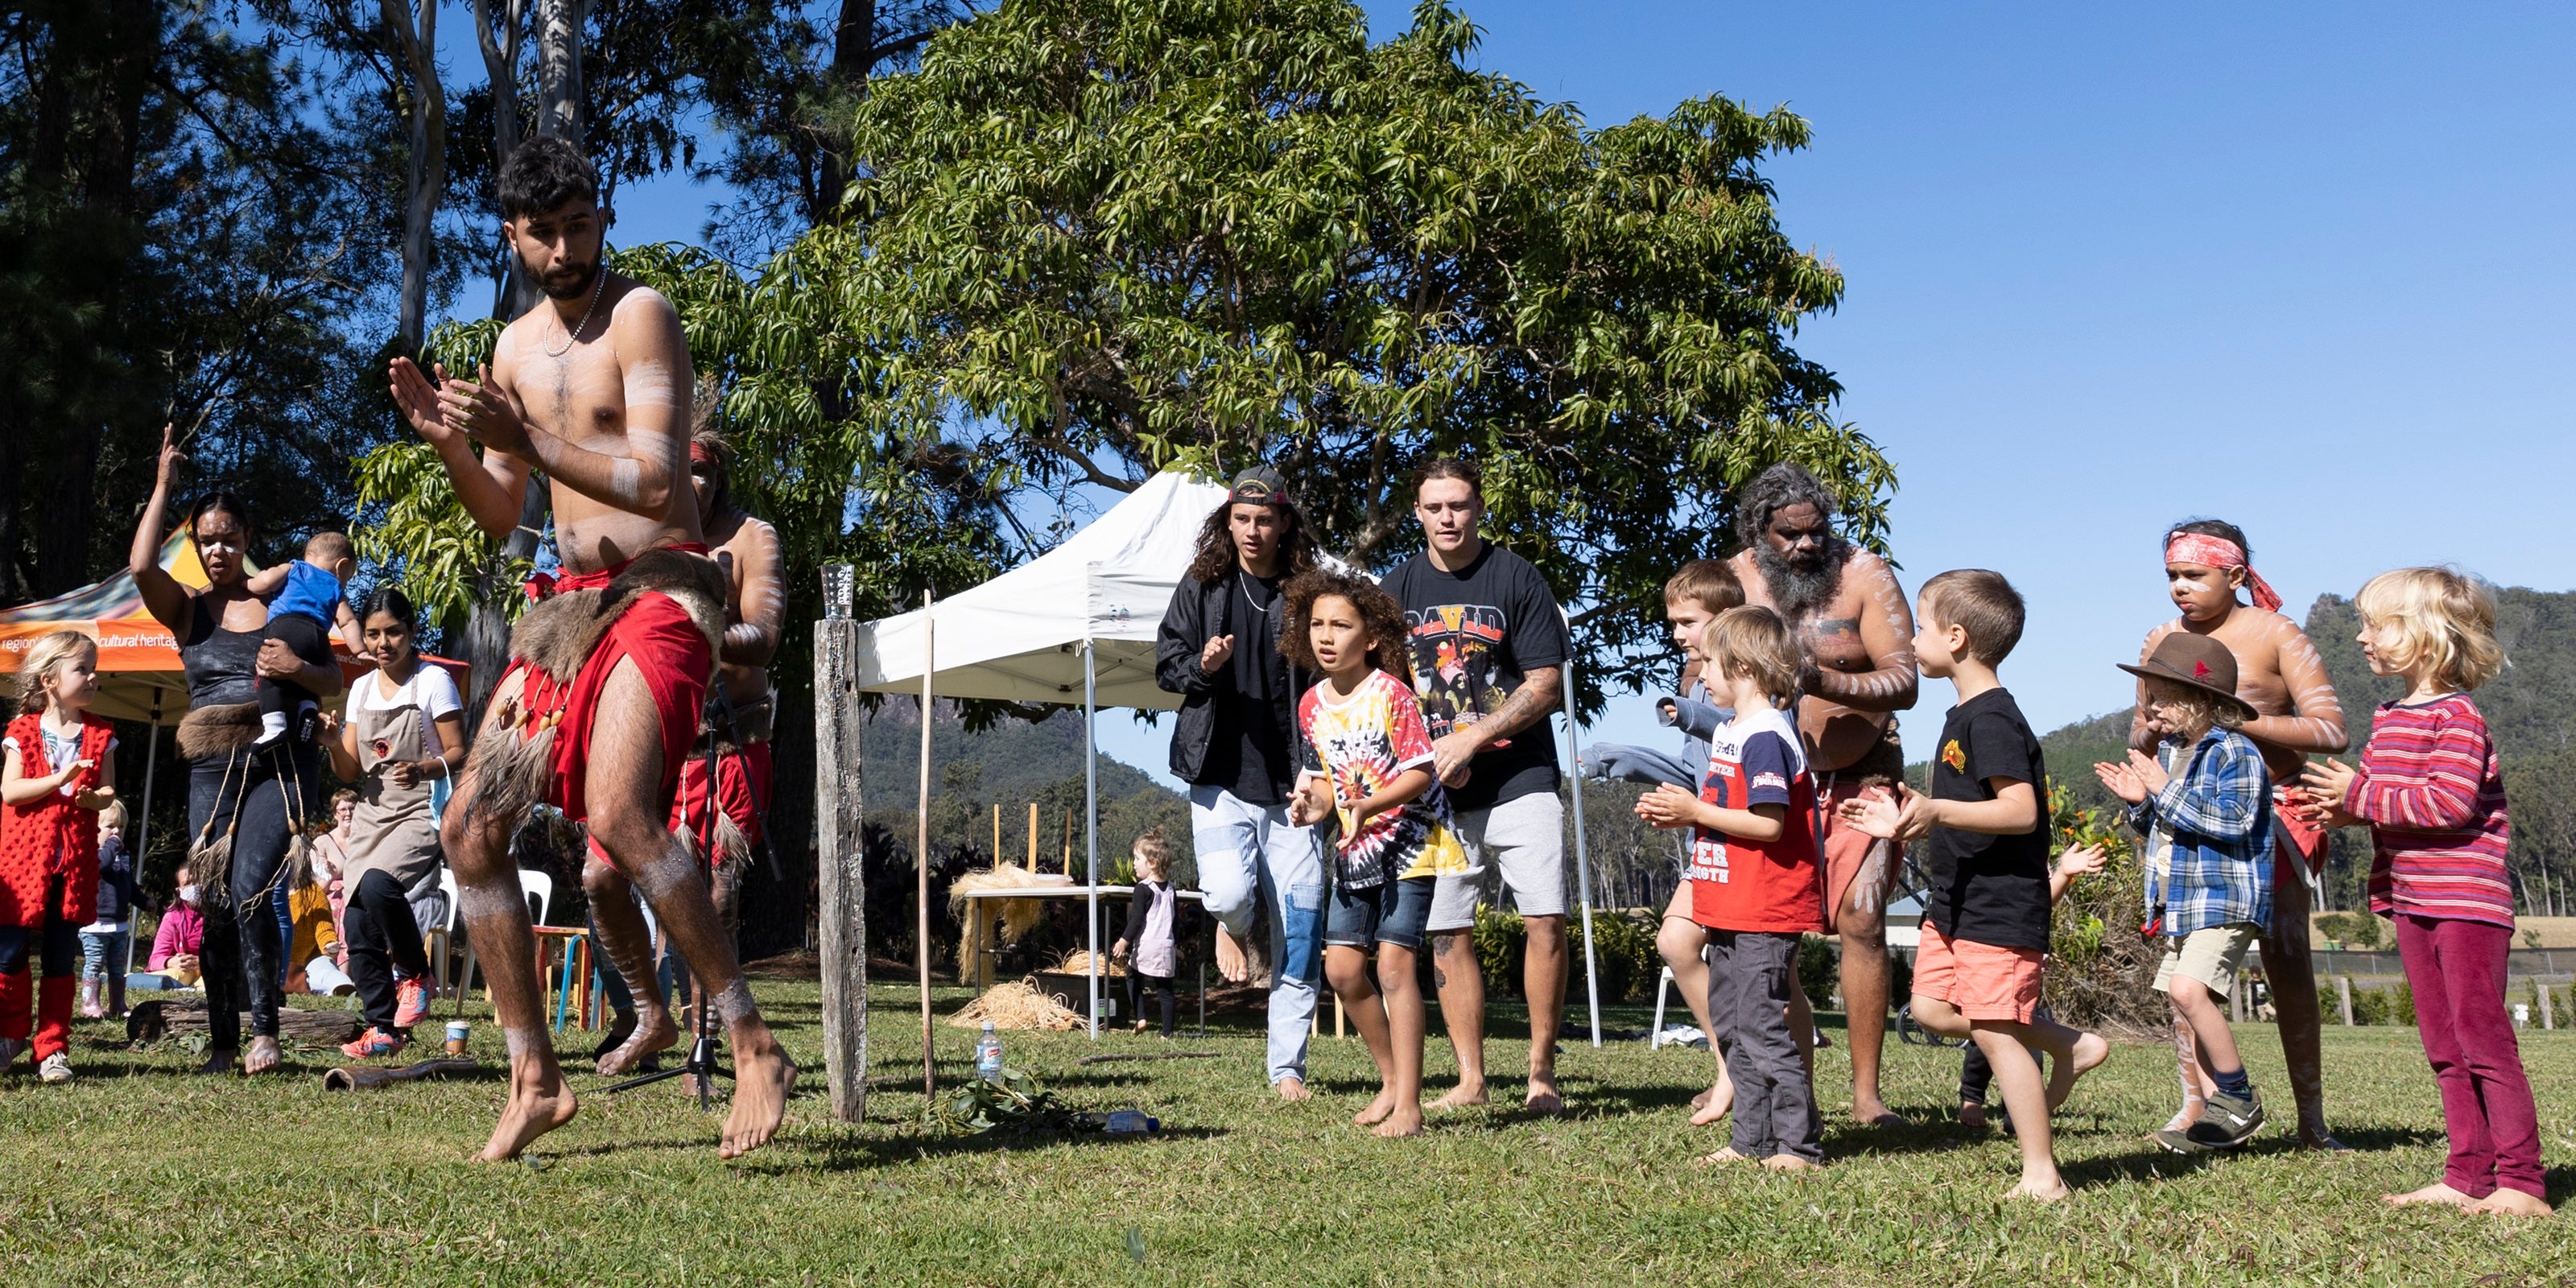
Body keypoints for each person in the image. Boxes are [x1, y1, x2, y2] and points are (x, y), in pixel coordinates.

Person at [386, 135, 792, 1159]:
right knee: (470, 833)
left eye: (580, 226)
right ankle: (533, 1075)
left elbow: (660, 483)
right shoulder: (512, 351)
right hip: (563, 605)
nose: (564, 249)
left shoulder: (641, 312)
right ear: (512, 236)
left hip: (663, 588)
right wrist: (448, 440)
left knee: (618, 810)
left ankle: (750, 1039)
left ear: (601, 218)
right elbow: (498, 513)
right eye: (543, 233)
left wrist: (529, 443)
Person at [1843, 571, 2109, 1201]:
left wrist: (1933, 810)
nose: (1910, 639)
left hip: (2000, 904)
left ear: (1956, 638)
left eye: (1923, 626)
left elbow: (2019, 812)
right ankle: (2070, 1045)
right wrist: (1906, 821)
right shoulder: (1961, 713)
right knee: (1934, 1010)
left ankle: (2043, 1175)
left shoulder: (1992, 720)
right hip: (1954, 902)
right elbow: (1957, 812)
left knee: (1994, 1030)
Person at [2297, 568, 2546, 1217]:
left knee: (2483, 1040)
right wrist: (2340, 809)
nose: (2360, 637)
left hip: (2465, 902)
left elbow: (2446, 804)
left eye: (2375, 624)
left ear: (2428, 637)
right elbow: (2390, 802)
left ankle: (2522, 1183)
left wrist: (2359, 795)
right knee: (2443, 1045)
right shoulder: (2390, 716)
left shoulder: (2458, 718)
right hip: (2413, 899)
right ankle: (2467, 1176)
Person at [2132, 519, 2348, 1149]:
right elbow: (2140, 731)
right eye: (2172, 575)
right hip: (2181, 814)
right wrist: (2150, 737)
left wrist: (2233, 726)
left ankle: (2312, 1119)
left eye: (2193, 574)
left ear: (2235, 575)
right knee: (2183, 967)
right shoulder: (2162, 639)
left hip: (2273, 811)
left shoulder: (2275, 634)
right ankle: (2196, 1107)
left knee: (2287, 957)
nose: (2179, 587)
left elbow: (2331, 731)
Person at [130, 440, 341, 1075]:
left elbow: (331, 678)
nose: (216, 550)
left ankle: (266, 1034)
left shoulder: (280, 602)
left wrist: (296, 666)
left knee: (251, 885)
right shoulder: (187, 610)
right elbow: (141, 565)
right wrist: (164, 482)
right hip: (211, 767)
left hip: (277, 764)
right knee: (215, 898)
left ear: (247, 536)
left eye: (227, 538)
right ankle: (224, 1042)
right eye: (205, 541)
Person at [1589, 559, 1819, 1126]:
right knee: (1722, 973)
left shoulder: (1758, 718)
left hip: (1756, 871)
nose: (1677, 635)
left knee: (1766, 991)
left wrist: (1692, 801)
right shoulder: (1713, 693)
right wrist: (1641, 774)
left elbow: (1761, 807)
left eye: (1688, 622)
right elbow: (1707, 778)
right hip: (1720, 855)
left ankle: (1788, 1113)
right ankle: (1746, 1087)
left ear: (1730, 631)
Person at [1725, 462, 1919, 1127]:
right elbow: (1706, 667)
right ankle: (1791, 1087)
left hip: (1861, 778)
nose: (1807, 547)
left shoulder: (1865, 575)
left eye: (1816, 532)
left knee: (1862, 922)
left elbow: (1905, 682)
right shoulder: (1739, 580)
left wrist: (1819, 681)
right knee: (1773, 936)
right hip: (1776, 790)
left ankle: (1866, 1095)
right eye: (1789, 535)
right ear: (1759, 530)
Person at [1381, 458, 1572, 1113]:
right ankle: (1470, 1078)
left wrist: (1472, 738)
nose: (1448, 518)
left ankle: (1541, 1072)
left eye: (1459, 505)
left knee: (1544, 920)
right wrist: (1425, 759)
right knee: (1447, 931)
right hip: (1436, 791)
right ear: (1418, 513)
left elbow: (1546, 683)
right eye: (1434, 507)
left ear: (1480, 507)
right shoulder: (1394, 588)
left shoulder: (1516, 578)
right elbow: (1383, 692)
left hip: (1521, 776)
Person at [1152, 465, 1327, 1100]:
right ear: (1229, 522)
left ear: (1284, 522)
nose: (1253, 531)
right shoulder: (1203, 587)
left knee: (1302, 931)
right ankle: (1232, 922)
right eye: (1241, 520)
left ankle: (1288, 1069)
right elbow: (1166, 663)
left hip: (1297, 788)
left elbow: (1336, 675)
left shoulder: (1309, 595)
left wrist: (1323, 767)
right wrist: (1201, 665)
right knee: (1226, 896)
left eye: (1264, 519)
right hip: (1219, 779)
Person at [1283, 568, 1476, 1138]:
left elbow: (1420, 773)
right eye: (1316, 624)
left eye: (1341, 625)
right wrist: (1311, 806)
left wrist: (1367, 807)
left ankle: (1411, 1108)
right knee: (1342, 971)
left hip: (1412, 842)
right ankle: (1391, 1082)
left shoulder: (1393, 694)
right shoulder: (1311, 703)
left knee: (1394, 969)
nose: (1325, 635)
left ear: (1369, 638)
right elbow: (1323, 784)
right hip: (1356, 845)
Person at [1634, 606, 1823, 1170]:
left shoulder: (1765, 735)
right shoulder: (1732, 730)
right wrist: (1684, 815)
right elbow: (1725, 812)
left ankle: (1798, 1146)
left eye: (1709, 662)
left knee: (1764, 1028)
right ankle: (1751, 1142)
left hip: (1765, 907)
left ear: (1742, 664)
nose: (1701, 673)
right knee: (1736, 1030)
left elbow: (1769, 824)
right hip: (1731, 906)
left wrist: (1696, 808)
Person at [2095, 632, 2274, 1155]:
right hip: (2183, 903)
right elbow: (2171, 828)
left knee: (2189, 993)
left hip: (2224, 898)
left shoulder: (2233, 752)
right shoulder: (2176, 754)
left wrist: (2161, 789)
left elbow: (2233, 822)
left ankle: (2239, 1095)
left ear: (2200, 700)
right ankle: (2220, 1125)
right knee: (2186, 1008)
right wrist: (2140, 804)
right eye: (2149, 697)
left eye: (2161, 697)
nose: (2150, 709)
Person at [320, 588, 464, 1059]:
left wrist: (425, 767)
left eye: (394, 632)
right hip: (372, 809)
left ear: (411, 632)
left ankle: (417, 975)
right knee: (357, 923)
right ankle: (383, 1029)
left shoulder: (433, 681)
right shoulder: (361, 688)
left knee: (380, 887)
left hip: (420, 806)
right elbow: (349, 770)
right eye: (375, 634)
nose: (384, 644)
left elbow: (460, 751)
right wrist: (329, 741)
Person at [0, 630, 120, 1083]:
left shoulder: (100, 733)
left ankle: (51, 1048)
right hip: (20, 864)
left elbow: (107, 792)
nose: (93, 676)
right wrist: (59, 779)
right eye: (82, 669)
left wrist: (95, 800)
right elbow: (11, 791)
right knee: (9, 954)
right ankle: (9, 1035)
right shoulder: (23, 732)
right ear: (50, 679)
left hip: (72, 868)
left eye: (95, 669)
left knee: (59, 956)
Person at [1954, 843, 2107, 1129]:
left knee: (2025, 1041)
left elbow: (2041, 899)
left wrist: (2063, 873)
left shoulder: (2028, 856)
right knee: (1985, 1036)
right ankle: (1972, 1097)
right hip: (1986, 952)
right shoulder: (1980, 851)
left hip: (2023, 959)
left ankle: (2019, 1115)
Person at [241, 531, 363, 752]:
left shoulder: (294, 568)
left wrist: (248, 584)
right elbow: (348, 622)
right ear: (342, 566)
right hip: (316, 639)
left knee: (269, 675)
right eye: (349, 577)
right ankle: (307, 710)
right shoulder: (335, 588)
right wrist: (359, 650)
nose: (345, 582)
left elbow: (266, 581)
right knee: (304, 686)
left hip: (287, 627)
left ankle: (274, 727)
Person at [1112, 828, 1199, 1038]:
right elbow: (1175, 922)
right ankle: (1166, 1034)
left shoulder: (1143, 888)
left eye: (1137, 858)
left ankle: (1141, 1017)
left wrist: (1124, 941)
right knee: (1166, 991)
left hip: (1146, 945)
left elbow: (1136, 919)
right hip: (1166, 946)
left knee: (1133, 977)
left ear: (1152, 863)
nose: (1133, 863)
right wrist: (1176, 946)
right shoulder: (1171, 889)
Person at [80, 799, 136, 1019]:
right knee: (94, 963)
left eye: (121, 827)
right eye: (110, 826)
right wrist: (111, 846)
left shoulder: (124, 856)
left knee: (117, 966)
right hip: (95, 924)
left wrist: (143, 901)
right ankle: (90, 1003)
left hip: (119, 924)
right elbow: (100, 865)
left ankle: (117, 1004)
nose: (116, 832)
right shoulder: (92, 852)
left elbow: (130, 885)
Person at [133, 865, 205, 990]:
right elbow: (155, 960)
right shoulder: (172, 918)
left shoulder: (218, 915)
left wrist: (204, 962)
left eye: (196, 881)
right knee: (172, 977)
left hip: (210, 969)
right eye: (187, 884)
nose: (193, 887)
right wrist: (171, 962)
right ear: (179, 890)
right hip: (182, 971)